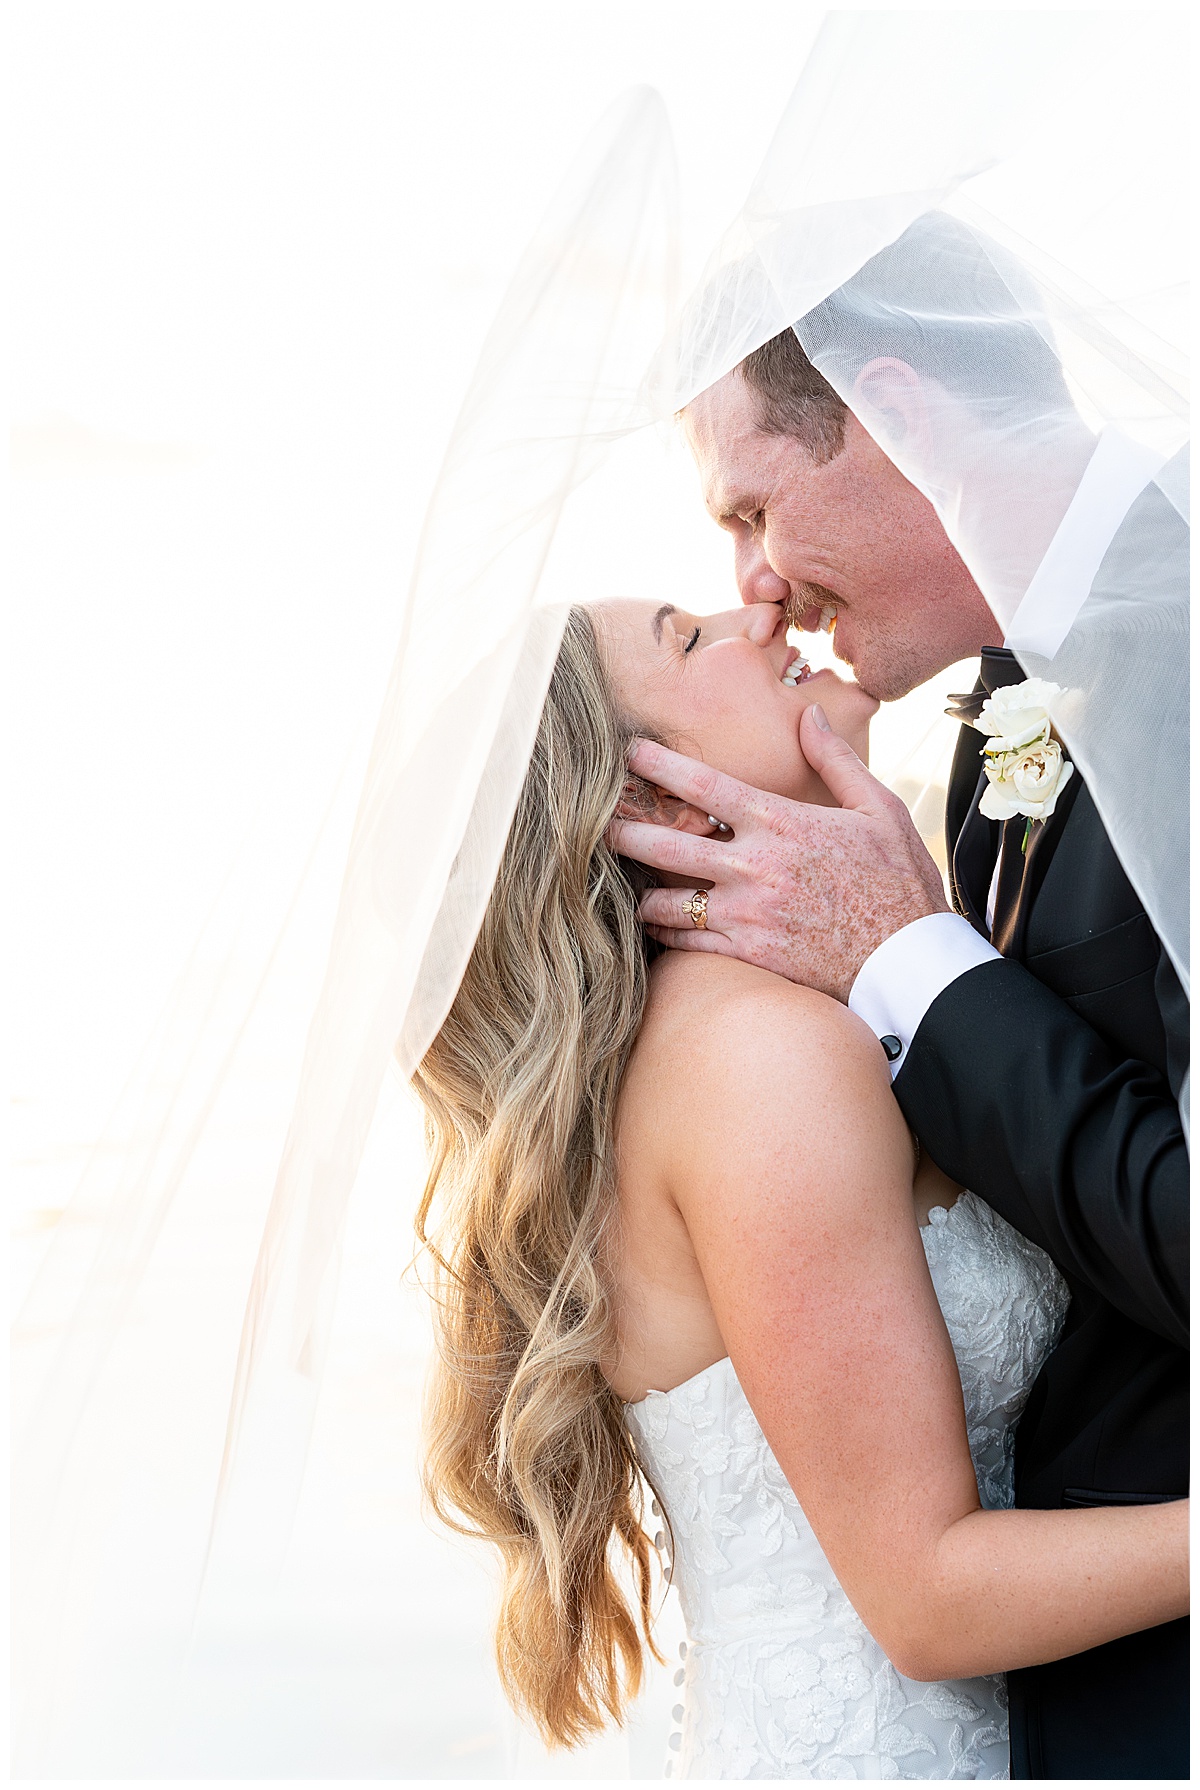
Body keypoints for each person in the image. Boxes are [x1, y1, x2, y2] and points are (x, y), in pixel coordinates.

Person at [411, 597, 1187, 1780]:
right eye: (687, 635)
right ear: (652, 802)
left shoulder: (741, 1033)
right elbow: (928, 1597)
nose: (758, 605)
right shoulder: (759, 1059)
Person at [613, 231, 1188, 1779]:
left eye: (751, 508)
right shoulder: (1009, 703)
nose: (756, 593)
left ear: (894, 412)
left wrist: (908, 957)